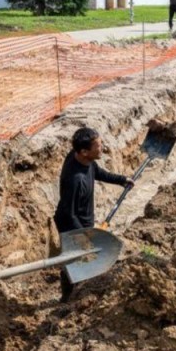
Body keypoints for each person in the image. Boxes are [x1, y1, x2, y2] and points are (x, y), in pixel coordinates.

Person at [53, 127, 133, 300]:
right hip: (71, 224)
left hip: (82, 219)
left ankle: (78, 291)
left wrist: (121, 180)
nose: (102, 148)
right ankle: (67, 298)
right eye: (98, 146)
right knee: (74, 260)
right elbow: (68, 213)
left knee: (83, 259)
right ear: (84, 152)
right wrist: (85, 236)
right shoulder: (75, 180)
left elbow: (98, 172)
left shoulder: (84, 161)